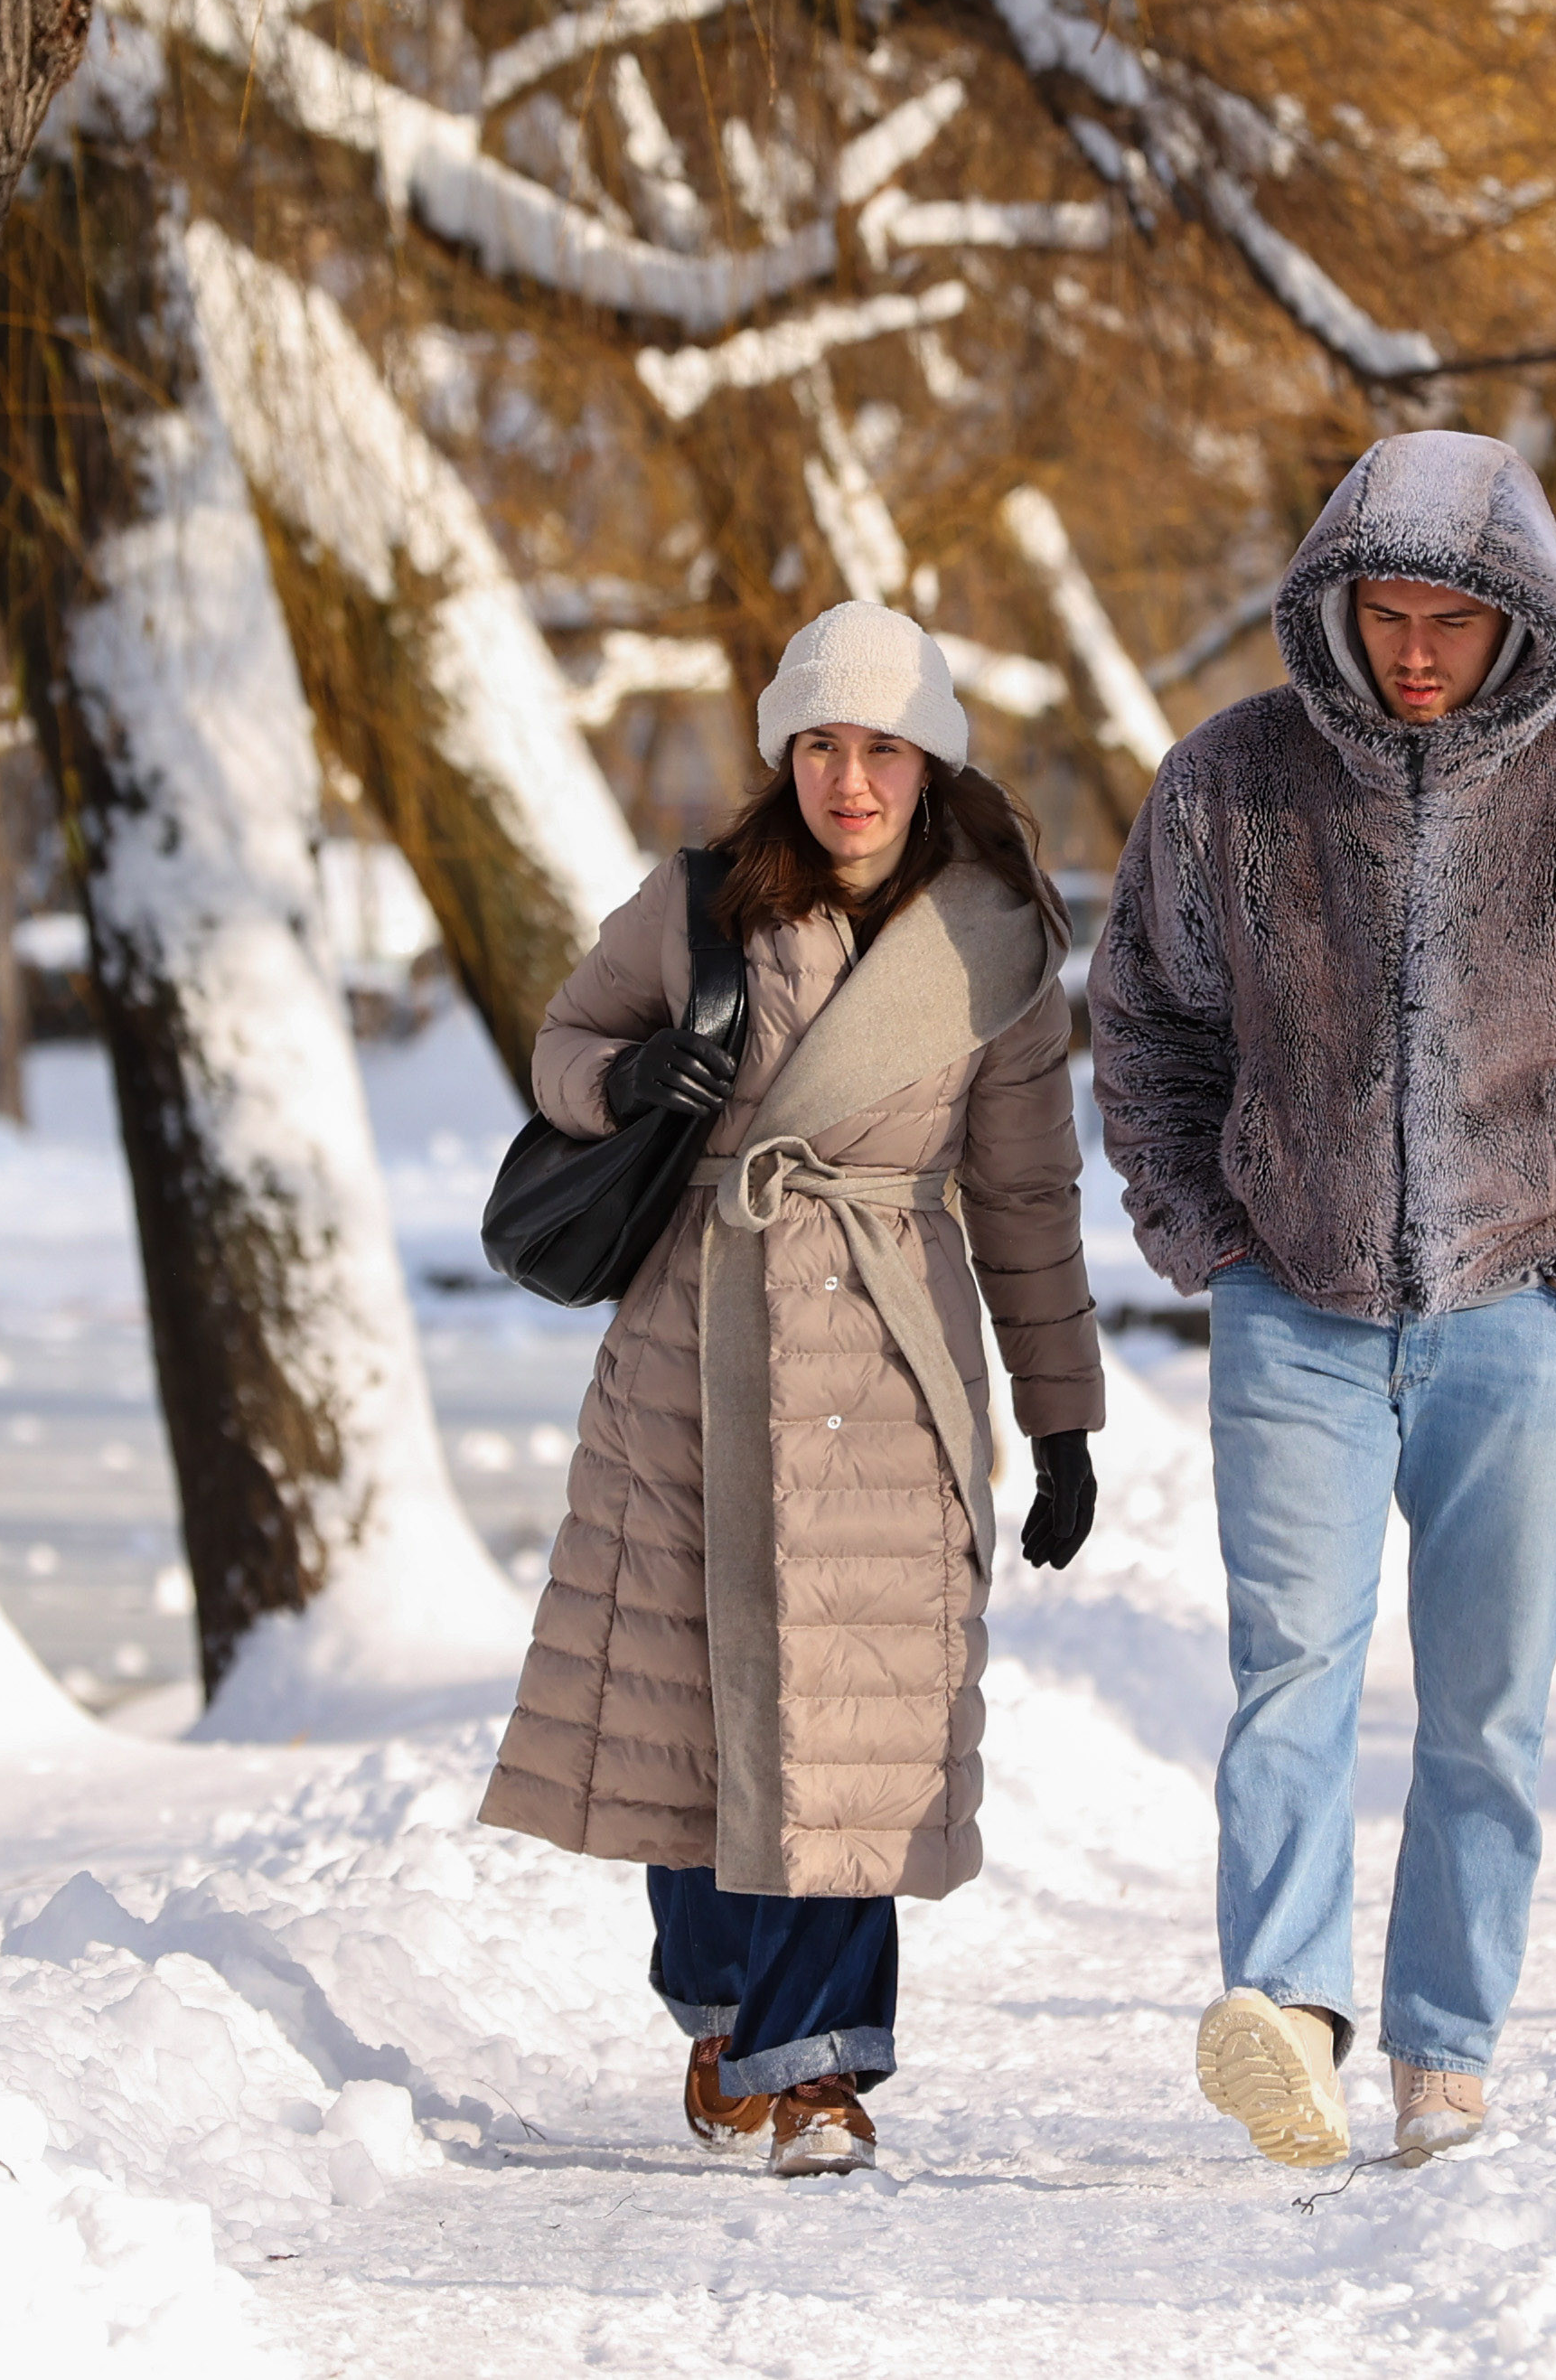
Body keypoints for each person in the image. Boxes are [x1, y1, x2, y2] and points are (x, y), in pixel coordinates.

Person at [1090, 433, 1556, 2169]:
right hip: (1291, 1299)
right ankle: (1291, 2016)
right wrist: (1198, 1220)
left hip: (1513, 1312)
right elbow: (1147, 1015)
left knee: (1483, 1700)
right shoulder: (1228, 784)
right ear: (1331, 605)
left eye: (1447, 621)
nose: (1410, 650)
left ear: (1514, 621)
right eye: (1381, 612)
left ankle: (1446, 2046)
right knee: (1288, 1666)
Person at [482, 599, 1105, 2179]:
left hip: (887, 1353)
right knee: (692, 1711)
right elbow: (563, 1040)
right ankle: (718, 2001)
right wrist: (626, 1081)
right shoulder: (697, 904)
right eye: (819, 743)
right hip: (698, 1339)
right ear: (786, 756)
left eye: (879, 745)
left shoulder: (995, 945)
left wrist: (1061, 1419)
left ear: (928, 757)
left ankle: (820, 2065)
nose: (848, 777)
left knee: (849, 1716)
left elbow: (1028, 1195)